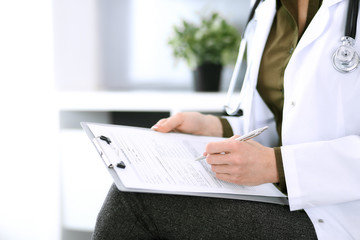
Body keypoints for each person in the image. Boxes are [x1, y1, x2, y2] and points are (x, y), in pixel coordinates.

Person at [92, 0, 360, 239]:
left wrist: (277, 166)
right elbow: (280, 122)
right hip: (282, 199)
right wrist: (213, 127)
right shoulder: (269, 10)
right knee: (135, 189)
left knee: (135, 203)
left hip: (343, 219)